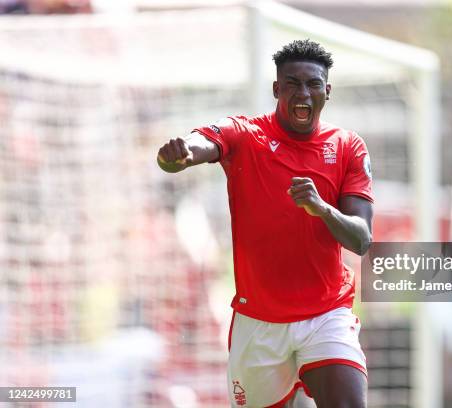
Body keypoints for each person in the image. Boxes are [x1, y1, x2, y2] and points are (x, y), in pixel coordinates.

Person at [157, 39, 373, 407]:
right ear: (277, 89)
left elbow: (362, 239)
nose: (302, 93)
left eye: (313, 84)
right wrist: (180, 155)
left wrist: (322, 209)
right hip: (260, 322)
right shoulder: (247, 135)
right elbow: (205, 141)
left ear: (327, 91)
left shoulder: (348, 146)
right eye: (291, 84)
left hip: (326, 314)